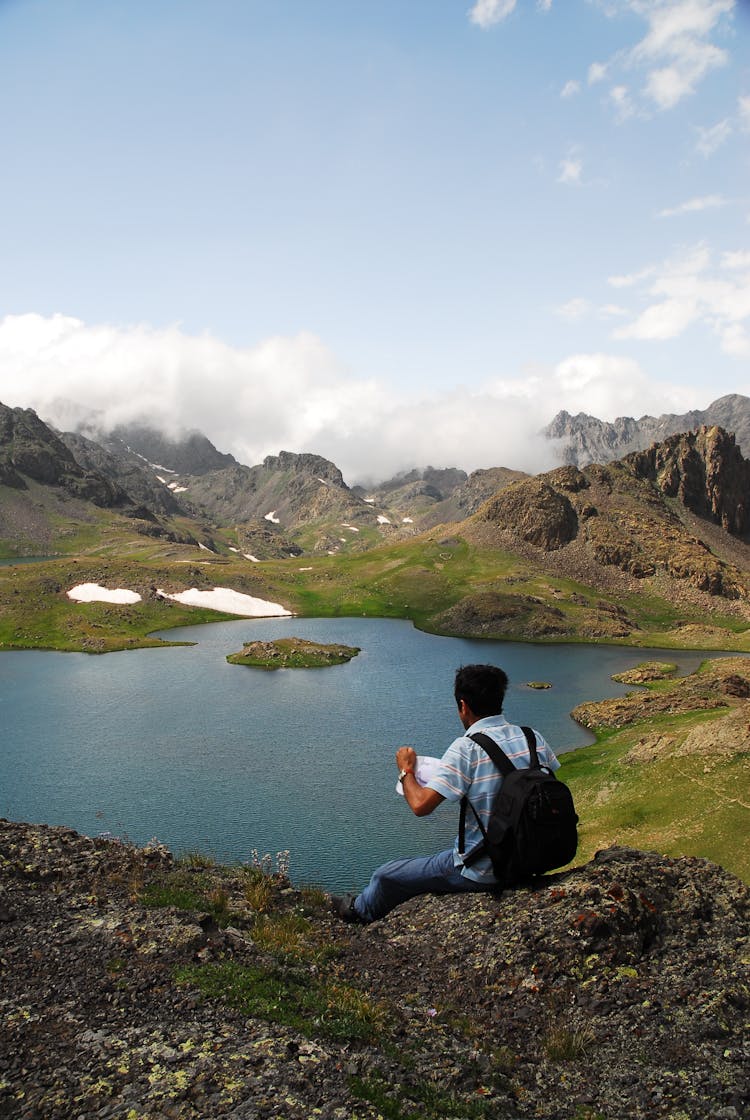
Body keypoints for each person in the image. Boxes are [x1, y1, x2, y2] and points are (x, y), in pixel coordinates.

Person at [331, 663, 560, 923]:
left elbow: (420, 806)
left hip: (483, 871)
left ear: (463, 706)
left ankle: (358, 913)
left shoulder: (467, 748)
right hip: (532, 858)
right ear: (500, 698)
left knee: (386, 875)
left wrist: (406, 770)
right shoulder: (533, 737)